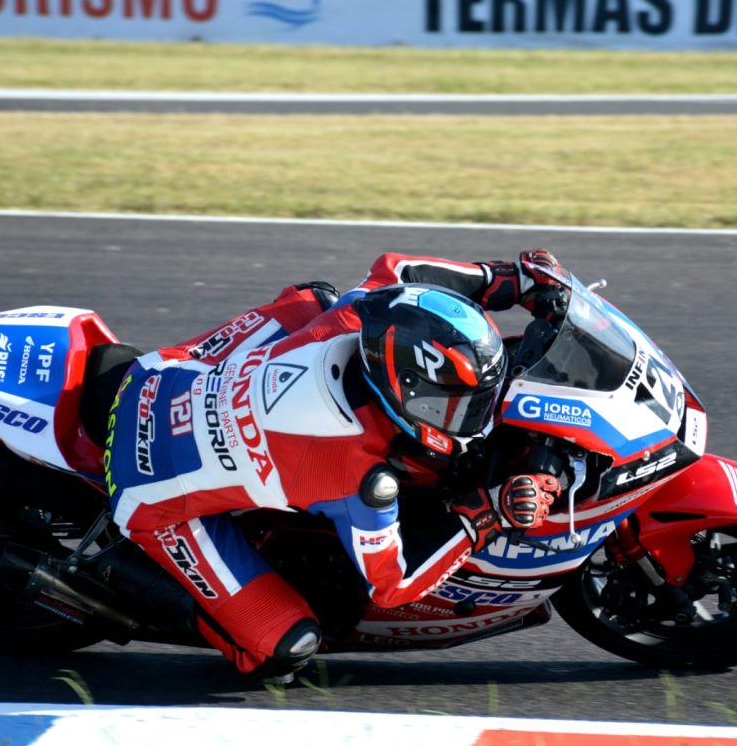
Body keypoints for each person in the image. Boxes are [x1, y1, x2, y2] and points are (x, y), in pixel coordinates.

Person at [103, 248, 569, 679]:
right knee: (286, 645)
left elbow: (405, 272)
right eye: (454, 405)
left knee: (316, 299)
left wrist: (508, 280)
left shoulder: (358, 315)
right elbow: (394, 584)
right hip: (149, 485)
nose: (473, 417)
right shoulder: (356, 473)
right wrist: (488, 515)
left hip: (163, 372)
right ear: (404, 389)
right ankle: (128, 583)